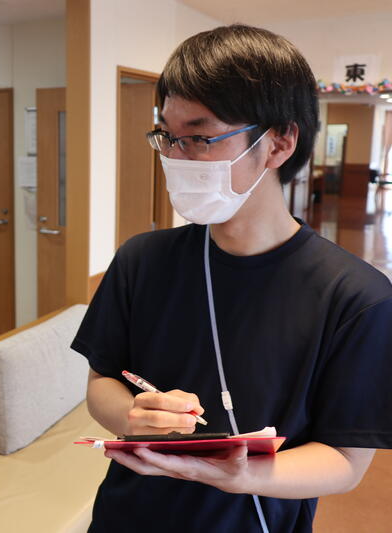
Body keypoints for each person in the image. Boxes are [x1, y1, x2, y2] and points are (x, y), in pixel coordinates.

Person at [72, 25, 392, 533]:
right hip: (125, 517)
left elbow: (345, 460)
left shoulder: (357, 298)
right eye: (168, 137)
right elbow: (102, 382)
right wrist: (134, 416)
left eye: (200, 138)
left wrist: (239, 475)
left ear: (279, 142)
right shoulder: (141, 261)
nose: (176, 158)